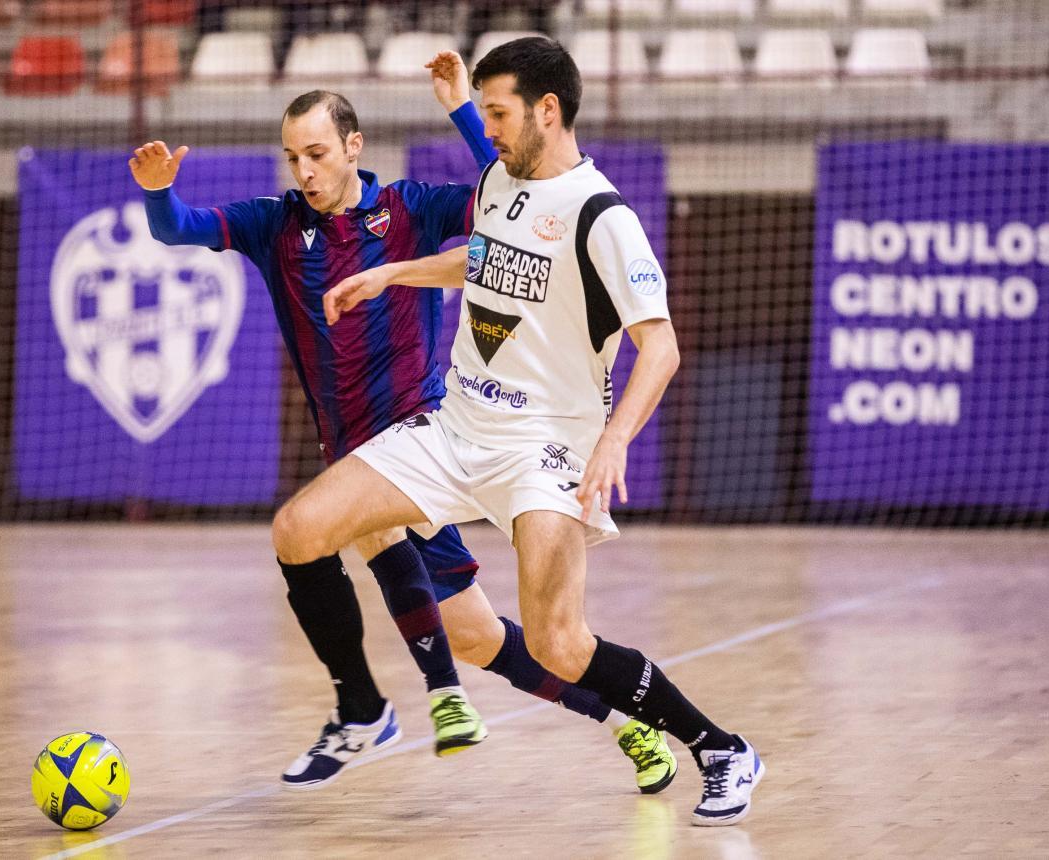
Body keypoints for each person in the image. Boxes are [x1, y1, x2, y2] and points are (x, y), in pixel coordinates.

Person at [129, 52, 677, 794]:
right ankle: (621, 722)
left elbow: (513, 192)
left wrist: (460, 108)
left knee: (381, 542)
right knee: (487, 638)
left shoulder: (412, 207)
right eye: (293, 158)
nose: (306, 171)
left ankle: (408, 701)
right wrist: (160, 196)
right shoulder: (275, 226)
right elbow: (181, 230)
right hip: (363, 454)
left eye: (318, 154)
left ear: (353, 148)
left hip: (432, 441)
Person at [303, 37, 764, 826]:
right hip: (456, 426)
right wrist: (393, 272)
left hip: (544, 450)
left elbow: (663, 345)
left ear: (547, 111)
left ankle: (720, 747)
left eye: (497, 114)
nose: (486, 130)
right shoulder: (497, 180)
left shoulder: (603, 217)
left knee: (560, 645)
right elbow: (479, 261)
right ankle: (364, 710)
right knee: (301, 528)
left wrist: (615, 438)